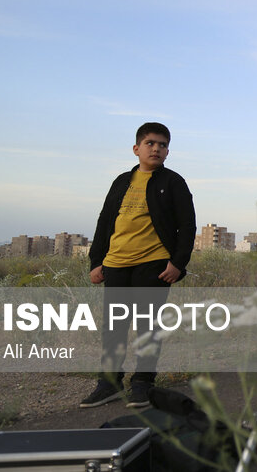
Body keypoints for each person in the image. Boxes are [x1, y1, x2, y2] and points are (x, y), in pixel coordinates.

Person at [79, 122, 196, 409]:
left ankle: (143, 382)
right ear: (136, 149)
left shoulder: (173, 182)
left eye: (163, 145)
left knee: (147, 326)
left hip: (154, 264)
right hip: (116, 263)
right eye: (150, 143)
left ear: (168, 151)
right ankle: (109, 383)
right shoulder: (122, 181)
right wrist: (97, 261)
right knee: (114, 328)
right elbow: (105, 220)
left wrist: (178, 264)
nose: (156, 148)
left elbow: (187, 226)